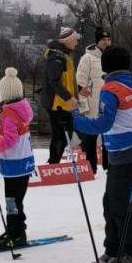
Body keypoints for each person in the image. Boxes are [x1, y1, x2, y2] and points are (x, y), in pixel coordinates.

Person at [72, 45, 132, 263]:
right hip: (128, 151)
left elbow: (103, 124)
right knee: (111, 202)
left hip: (125, 153)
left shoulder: (110, 89)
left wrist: (74, 120)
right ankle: (114, 248)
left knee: (121, 205)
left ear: (106, 65)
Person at [0, 68, 36, 249]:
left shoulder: (9, 114)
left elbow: (9, 141)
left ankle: (17, 233)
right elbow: (6, 134)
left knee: (12, 201)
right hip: (23, 161)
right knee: (15, 200)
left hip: (14, 163)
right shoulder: (22, 108)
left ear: (4, 92)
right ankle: (14, 229)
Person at [75, 27, 112, 172]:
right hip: (92, 104)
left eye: (108, 39)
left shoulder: (112, 57)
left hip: (108, 103)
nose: (107, 42)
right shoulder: (87, 58)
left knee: (108, 136)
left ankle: (108, 165)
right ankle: (90, 167)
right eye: (103, 40)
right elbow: (80, 81)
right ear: (97, 42)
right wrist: (83, 104)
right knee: (90, 137)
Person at [42, 26, 79, 164]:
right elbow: (54, 81)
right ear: (67, 41)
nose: (76, 43)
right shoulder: (57, 57)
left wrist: (78, 91)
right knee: (61, 136)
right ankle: (53, 163)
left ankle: (53, 161)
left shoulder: (64, 55)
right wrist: (68, 97)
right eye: (74, 40)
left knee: (63, 135)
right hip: (57, 103)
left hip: (63, 102)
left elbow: (67, 80)